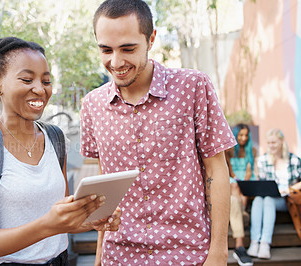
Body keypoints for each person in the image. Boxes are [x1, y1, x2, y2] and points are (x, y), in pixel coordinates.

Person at [80, 0, 237, 265]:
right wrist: (99, 256)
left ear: (151, 39)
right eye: (106, 50)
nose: (116, 62)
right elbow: (106, 184)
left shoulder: (193, 86)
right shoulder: (92, 105)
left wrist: (219, 252)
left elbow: (217, 170)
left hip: (188, 254)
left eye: (128, 49)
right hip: (119, 256)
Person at [0, 37, 121, 265]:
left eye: (46, 81)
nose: (39, 89)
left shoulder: (55, 137)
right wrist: (48, 224)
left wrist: (92, 220)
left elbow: (62, 220)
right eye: (27, 79)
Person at [247, 128, 301, 259]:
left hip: (287, 198)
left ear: (281, 142)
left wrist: (288, 189)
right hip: (269, 198)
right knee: (260, 199)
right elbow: (262, 184)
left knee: (268, 200)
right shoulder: (263, 160)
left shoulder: (294, 160)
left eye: (274, 142)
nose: (271, 145)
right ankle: (255, 242)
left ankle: (265, 243)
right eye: (269, 143)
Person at [225, 124, 257, 265]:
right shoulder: (228, 150)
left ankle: (242, 212)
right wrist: (237, 180)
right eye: (241, 135)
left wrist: (245, 179)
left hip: (246, 181)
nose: (243, 138)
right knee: (234, 188)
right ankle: (243, 216)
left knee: (238, 193)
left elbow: (250, 171)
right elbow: (230, 171)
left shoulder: (252, 150)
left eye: (246, 135)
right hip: (233, 181)